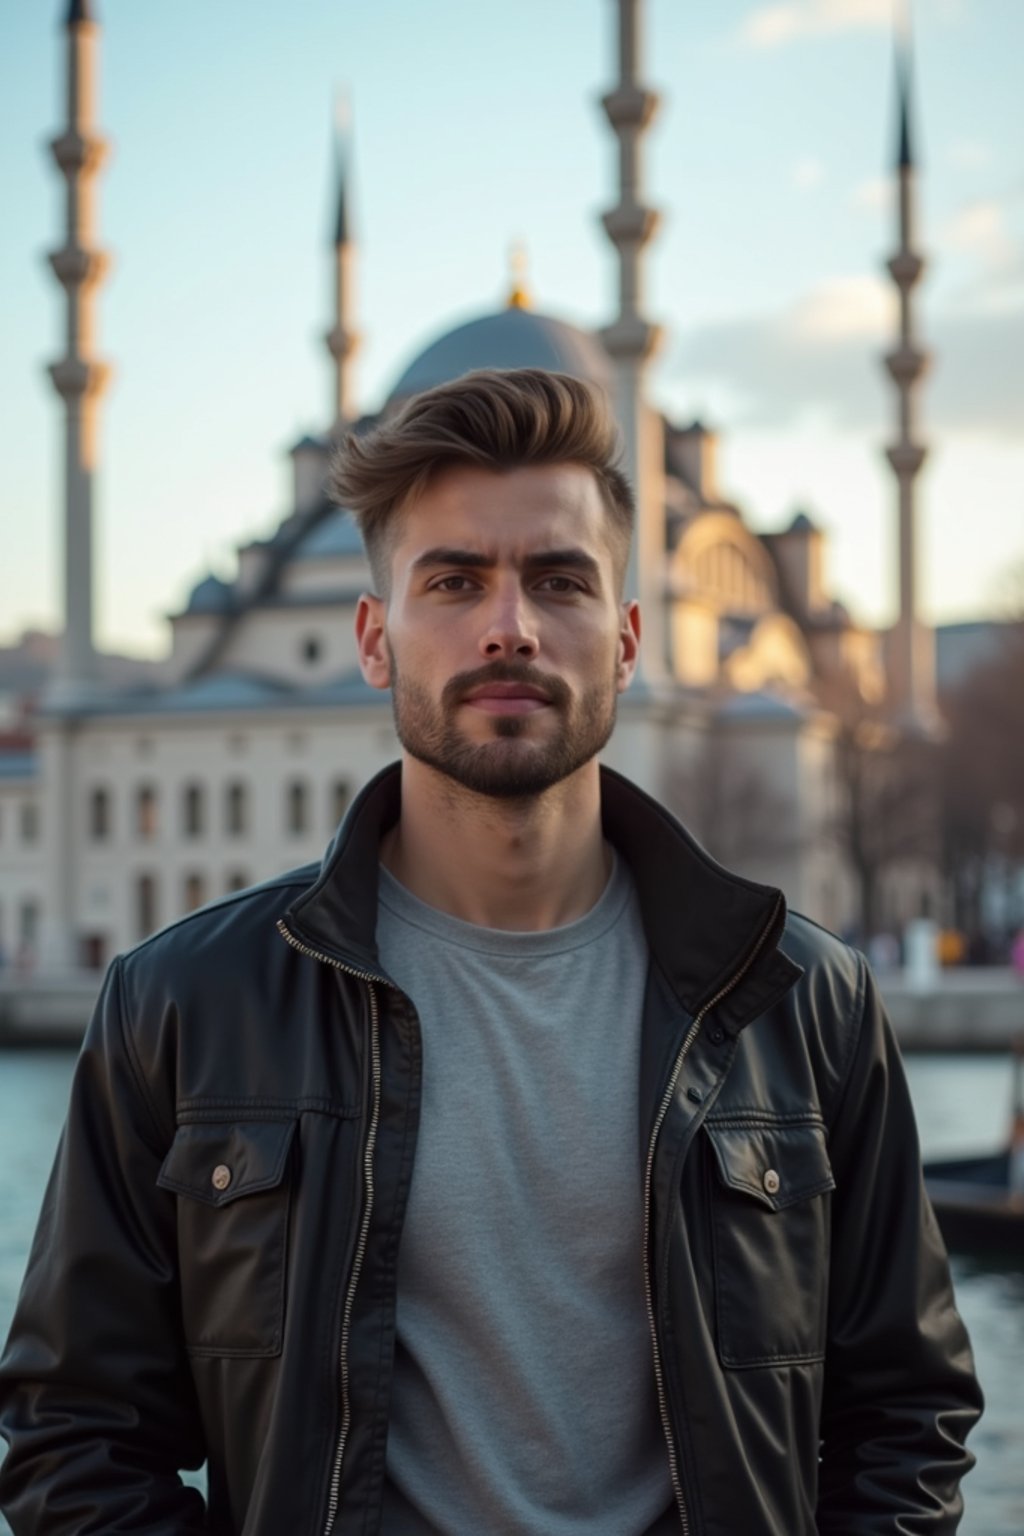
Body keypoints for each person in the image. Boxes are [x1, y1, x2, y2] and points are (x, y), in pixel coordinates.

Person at [0, 369, 981, 1534]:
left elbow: (907, 1418)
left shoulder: (801, 1002)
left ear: (625, 641)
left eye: (557, 580)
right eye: (454, 580)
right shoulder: (182, 1004)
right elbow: (75, 1437)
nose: (507, 624)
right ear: (371, 640)